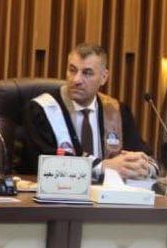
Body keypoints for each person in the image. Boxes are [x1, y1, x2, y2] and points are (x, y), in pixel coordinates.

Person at [22, 42, 155, 180]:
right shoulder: (41, 110)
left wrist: (144, 167)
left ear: (104, 77)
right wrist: (103, 167)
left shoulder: (117, 111)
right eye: (72, 70)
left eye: (87, 73)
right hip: (61, 191)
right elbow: (45, 163)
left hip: (109, 193)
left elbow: (143, 154)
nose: (76, 80)